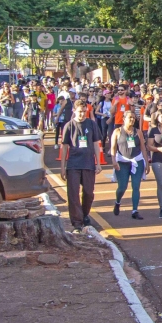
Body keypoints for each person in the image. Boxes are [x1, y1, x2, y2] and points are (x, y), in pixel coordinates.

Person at [60, 100, 102, 233]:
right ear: (74, 110)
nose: (82, 114)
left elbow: (96, 143)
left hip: (88, 162)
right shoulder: (69, 125)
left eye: (84, 111)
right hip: (73, 163)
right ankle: (77, 222)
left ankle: (84, 214)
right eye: (80, 111)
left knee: (89, 193)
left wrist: (98, 163)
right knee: (73, 194)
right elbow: (65, 147)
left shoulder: (91, 124)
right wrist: (62, 167)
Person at [110, 111, 149, 220]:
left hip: (137, 160)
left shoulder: (138, 132)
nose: (132, 119)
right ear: (124, 118)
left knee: (136, 186)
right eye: (130, 117)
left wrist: (146, 163)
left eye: (133, 118)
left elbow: (143, 147)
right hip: (122, 161)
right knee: (122, 187)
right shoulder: (117, 131)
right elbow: (113, 148)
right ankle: (118, 202)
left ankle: (135, 210)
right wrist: (114, 161)